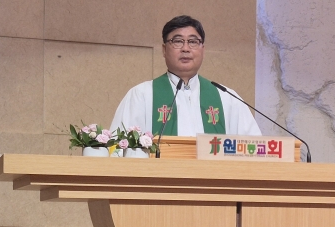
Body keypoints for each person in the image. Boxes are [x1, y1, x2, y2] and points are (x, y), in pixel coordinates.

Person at [110, 15, 261, 137]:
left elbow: (252, 148)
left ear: (203, 50)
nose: (186, 48)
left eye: (193, 42)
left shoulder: (227, 98)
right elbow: (119, 148)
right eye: (177, 41)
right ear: (164, 50)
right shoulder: (142, 95)